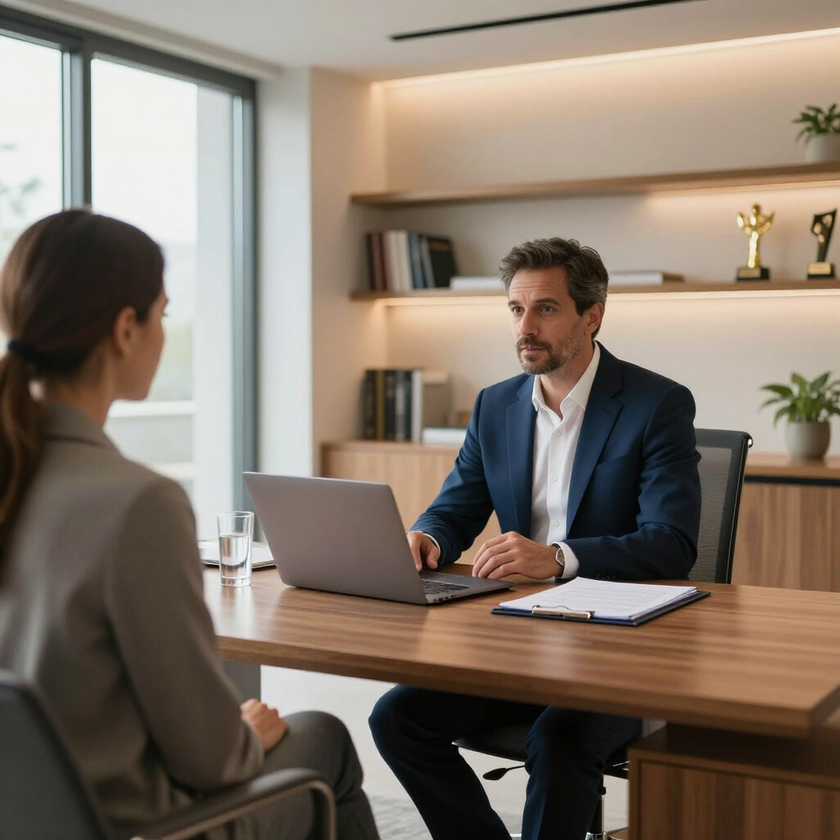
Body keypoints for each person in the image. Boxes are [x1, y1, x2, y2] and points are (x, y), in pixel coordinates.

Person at [0, 209, 379, 840]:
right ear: (125, 329)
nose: (163, 333)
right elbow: (211, 759)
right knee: (323, 737)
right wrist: (245, 736)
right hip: (139, 825)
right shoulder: (136, 504)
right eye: (163, 314)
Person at [369, 237, 701, 840]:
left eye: (545, 309)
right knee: (397, 718)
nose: (526, 327)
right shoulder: (495, 406)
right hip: (516, 643)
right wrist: (428, 538)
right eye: (517, 310)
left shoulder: (656, 405)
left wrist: (557, 559)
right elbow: (456, 507)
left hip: (620, 651)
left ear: (592, 315)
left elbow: (672, 542)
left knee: (560, 737)